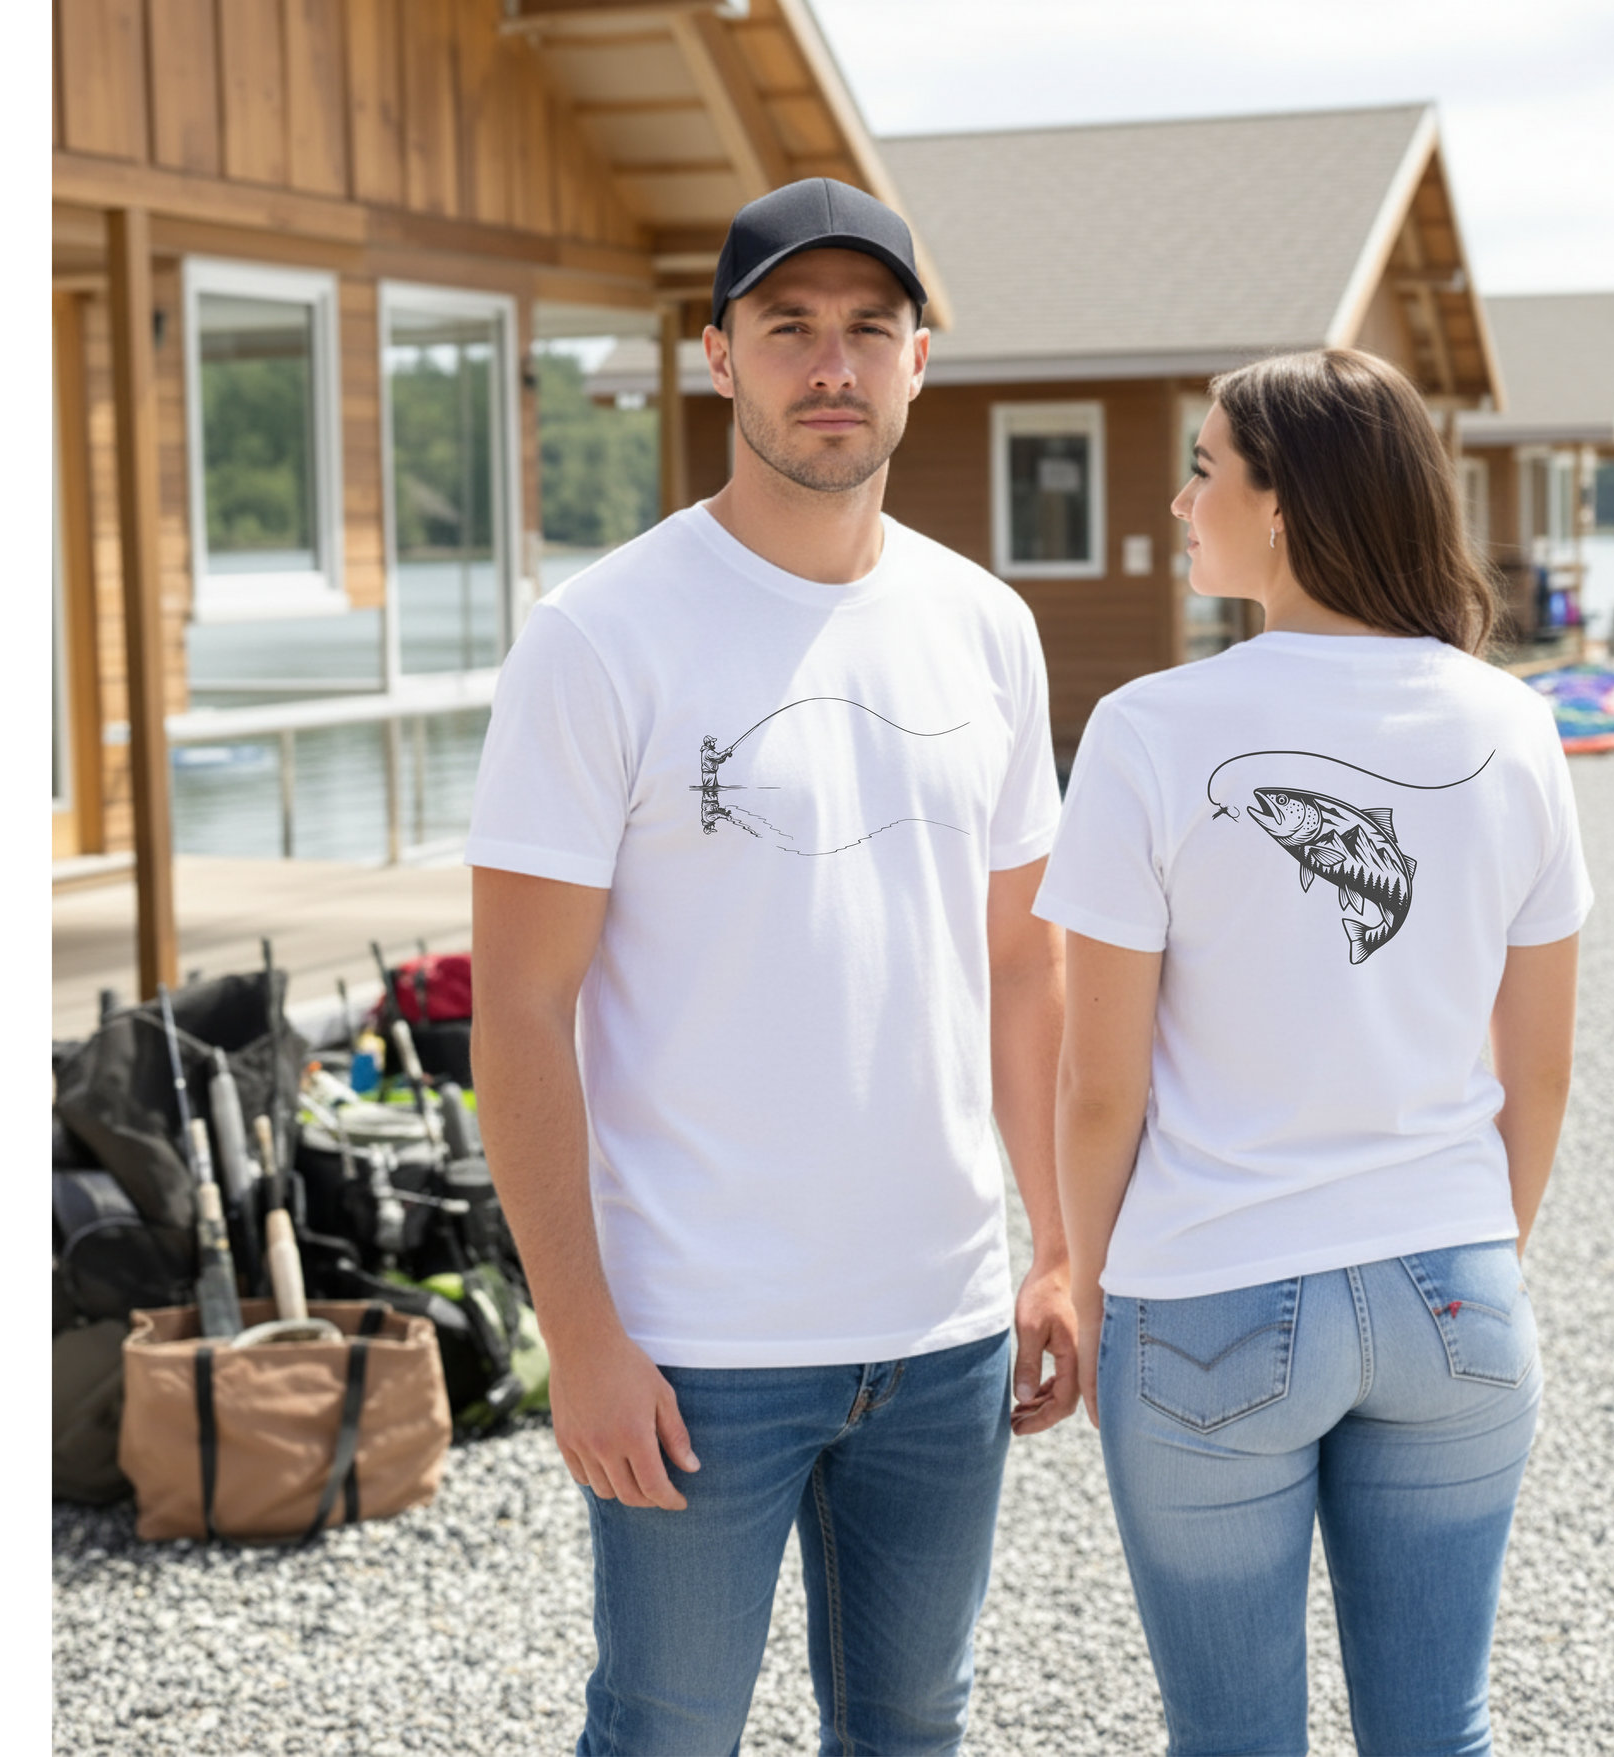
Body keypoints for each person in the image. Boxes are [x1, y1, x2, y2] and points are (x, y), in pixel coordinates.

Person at [465, 178, 1075, 1757]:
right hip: (694, 1340)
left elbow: (1023, 967)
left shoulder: (987, 627)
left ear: (918, 361)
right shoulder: (600, 638)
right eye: (787, 326)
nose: (831, 365)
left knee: (914, 1727)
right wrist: (580, 1335)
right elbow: (519, 1010)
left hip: (942, 1335)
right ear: (717, 356)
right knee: (666, 1731)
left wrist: (1057, 1242)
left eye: (868, 330)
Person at [1036, 348, 1590, 1756]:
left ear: (1281, 506)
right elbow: (1537, 1073)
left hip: (1209, 1294)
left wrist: (1091, 1286)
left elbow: (1099, 1085)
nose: (1175, 500)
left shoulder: (1147, 731)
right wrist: (1474, 1252)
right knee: (1436, 1731)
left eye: (1205, 467)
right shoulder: (1513, 727)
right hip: (1455, 1293)